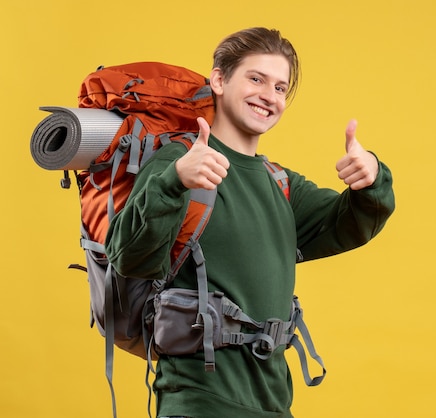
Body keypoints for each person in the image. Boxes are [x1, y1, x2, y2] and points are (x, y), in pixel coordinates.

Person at [105, 27, 395, 418]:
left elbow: (351, 223)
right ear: (220, 80)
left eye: (280, 87)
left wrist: (372, 178)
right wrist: (174, 180)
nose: (268, 96)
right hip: (199, 402)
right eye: (256, 79)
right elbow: (129, 257)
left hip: (274, 402)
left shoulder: (280, 183)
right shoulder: (180, 162)